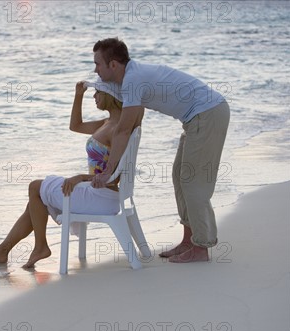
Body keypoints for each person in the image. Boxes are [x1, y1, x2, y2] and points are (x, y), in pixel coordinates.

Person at [90, 38, 230, 263]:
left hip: (208, 114)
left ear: (113, 65)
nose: (95, 69)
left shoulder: (133, 80)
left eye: (97, 64)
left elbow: (123, 130)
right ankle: (189, 240)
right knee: (179, 177)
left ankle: (201, 247)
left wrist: (108, 172)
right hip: (196, 118)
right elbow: (105, 90)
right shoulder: (130, 77)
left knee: (194, 182)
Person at [0, 78, 140, 268]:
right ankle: (3, 252)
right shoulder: (108, 123)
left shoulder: (116, 129)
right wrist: (78, 95)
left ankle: (38, 247)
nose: (94, 96)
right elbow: (75, 126)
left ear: (109, 95)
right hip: (101, 194)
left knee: (35, 187)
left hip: (103, 196)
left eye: (97, 92)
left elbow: (114, 176)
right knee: (36, 200)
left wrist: (81, 177)